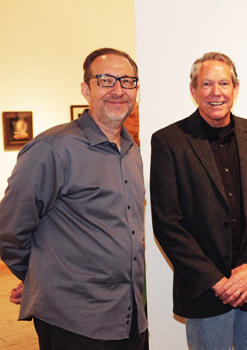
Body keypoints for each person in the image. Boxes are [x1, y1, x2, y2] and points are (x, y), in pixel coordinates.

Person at [0, 47, 147, 349]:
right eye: (106, 80)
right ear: (86, 89)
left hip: (130, 315)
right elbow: (10, 230)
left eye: (128, 81)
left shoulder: (133, 152)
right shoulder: (53, 149)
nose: (118, 90)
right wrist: (39, 277)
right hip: (73, 321)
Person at [150, 52, 247, 350]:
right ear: (193, 90)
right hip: (204, 290)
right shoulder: (168, 142)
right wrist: (217, 281)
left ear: (235, 89)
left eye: (224, 83)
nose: (216, 92)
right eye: (207, 84)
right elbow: (167, 223)